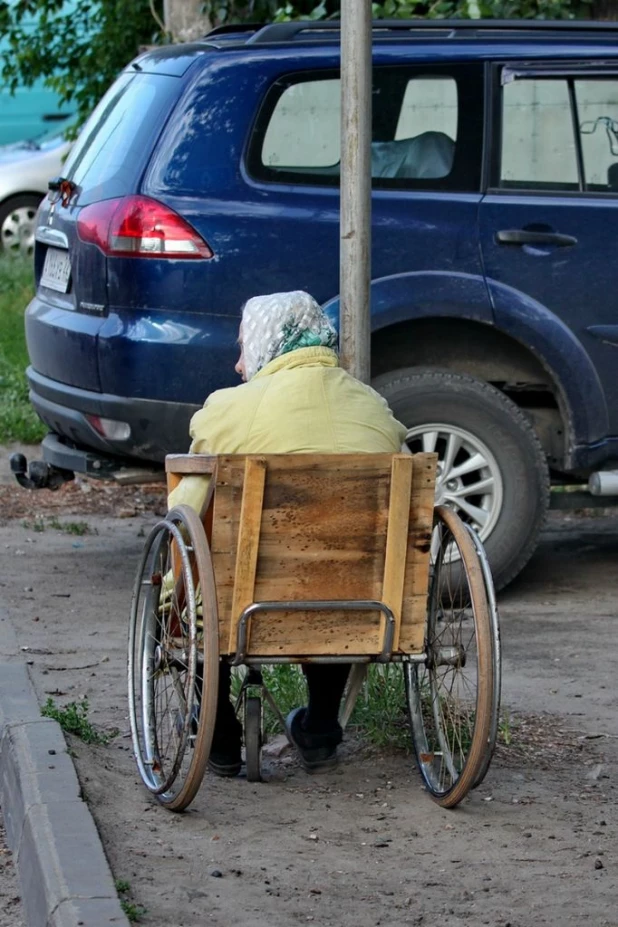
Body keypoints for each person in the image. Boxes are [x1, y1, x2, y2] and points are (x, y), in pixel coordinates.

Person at [168, 291, 407, 776]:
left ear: (267, 343)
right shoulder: (376, 409)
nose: (238, 364)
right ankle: (319, 728)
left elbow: (185, 521)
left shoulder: (228, 411)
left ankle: (217, 732)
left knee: (195, 572)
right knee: (339, 569)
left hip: (246, 608)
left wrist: (169, 594)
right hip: (360, 608)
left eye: (243, 347)